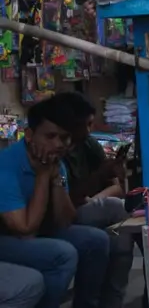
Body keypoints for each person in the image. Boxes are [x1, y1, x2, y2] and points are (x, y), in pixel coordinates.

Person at [0, 96, 109, 308]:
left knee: (96, 240)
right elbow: (24, 228)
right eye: (50, 136)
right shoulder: (6, 165)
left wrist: (56, 179)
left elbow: (65, 220)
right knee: (62, 255)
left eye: (64, 138)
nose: (58, 144)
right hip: (5, 238)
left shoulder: (54, 163)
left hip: (35, 232)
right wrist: (42, 177)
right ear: (30, 135)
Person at [52, 92, 133, 308]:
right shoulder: (57, 149)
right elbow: (64, 204)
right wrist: (97, 181)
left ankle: (112, 301)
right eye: (83, 125)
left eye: (90, 124)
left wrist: (94, 200)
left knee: (118, 231)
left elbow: (116, 187)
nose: (88, 131)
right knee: (116, 212)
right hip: (64, 214)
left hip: (86, 206)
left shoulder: (88, 145)